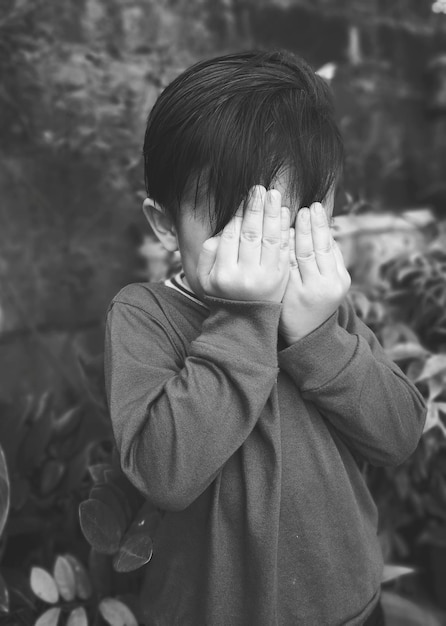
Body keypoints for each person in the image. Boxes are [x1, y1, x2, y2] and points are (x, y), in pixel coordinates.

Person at [104, 49, 426, 626]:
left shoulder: (321, 305)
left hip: (348, 607)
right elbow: (163, 473)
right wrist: (244, 316)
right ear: (165, 224)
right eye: (238, 226)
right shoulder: (144, 316)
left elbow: (399, 435)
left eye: (294, 221)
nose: (265, 254)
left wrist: (322, 335)